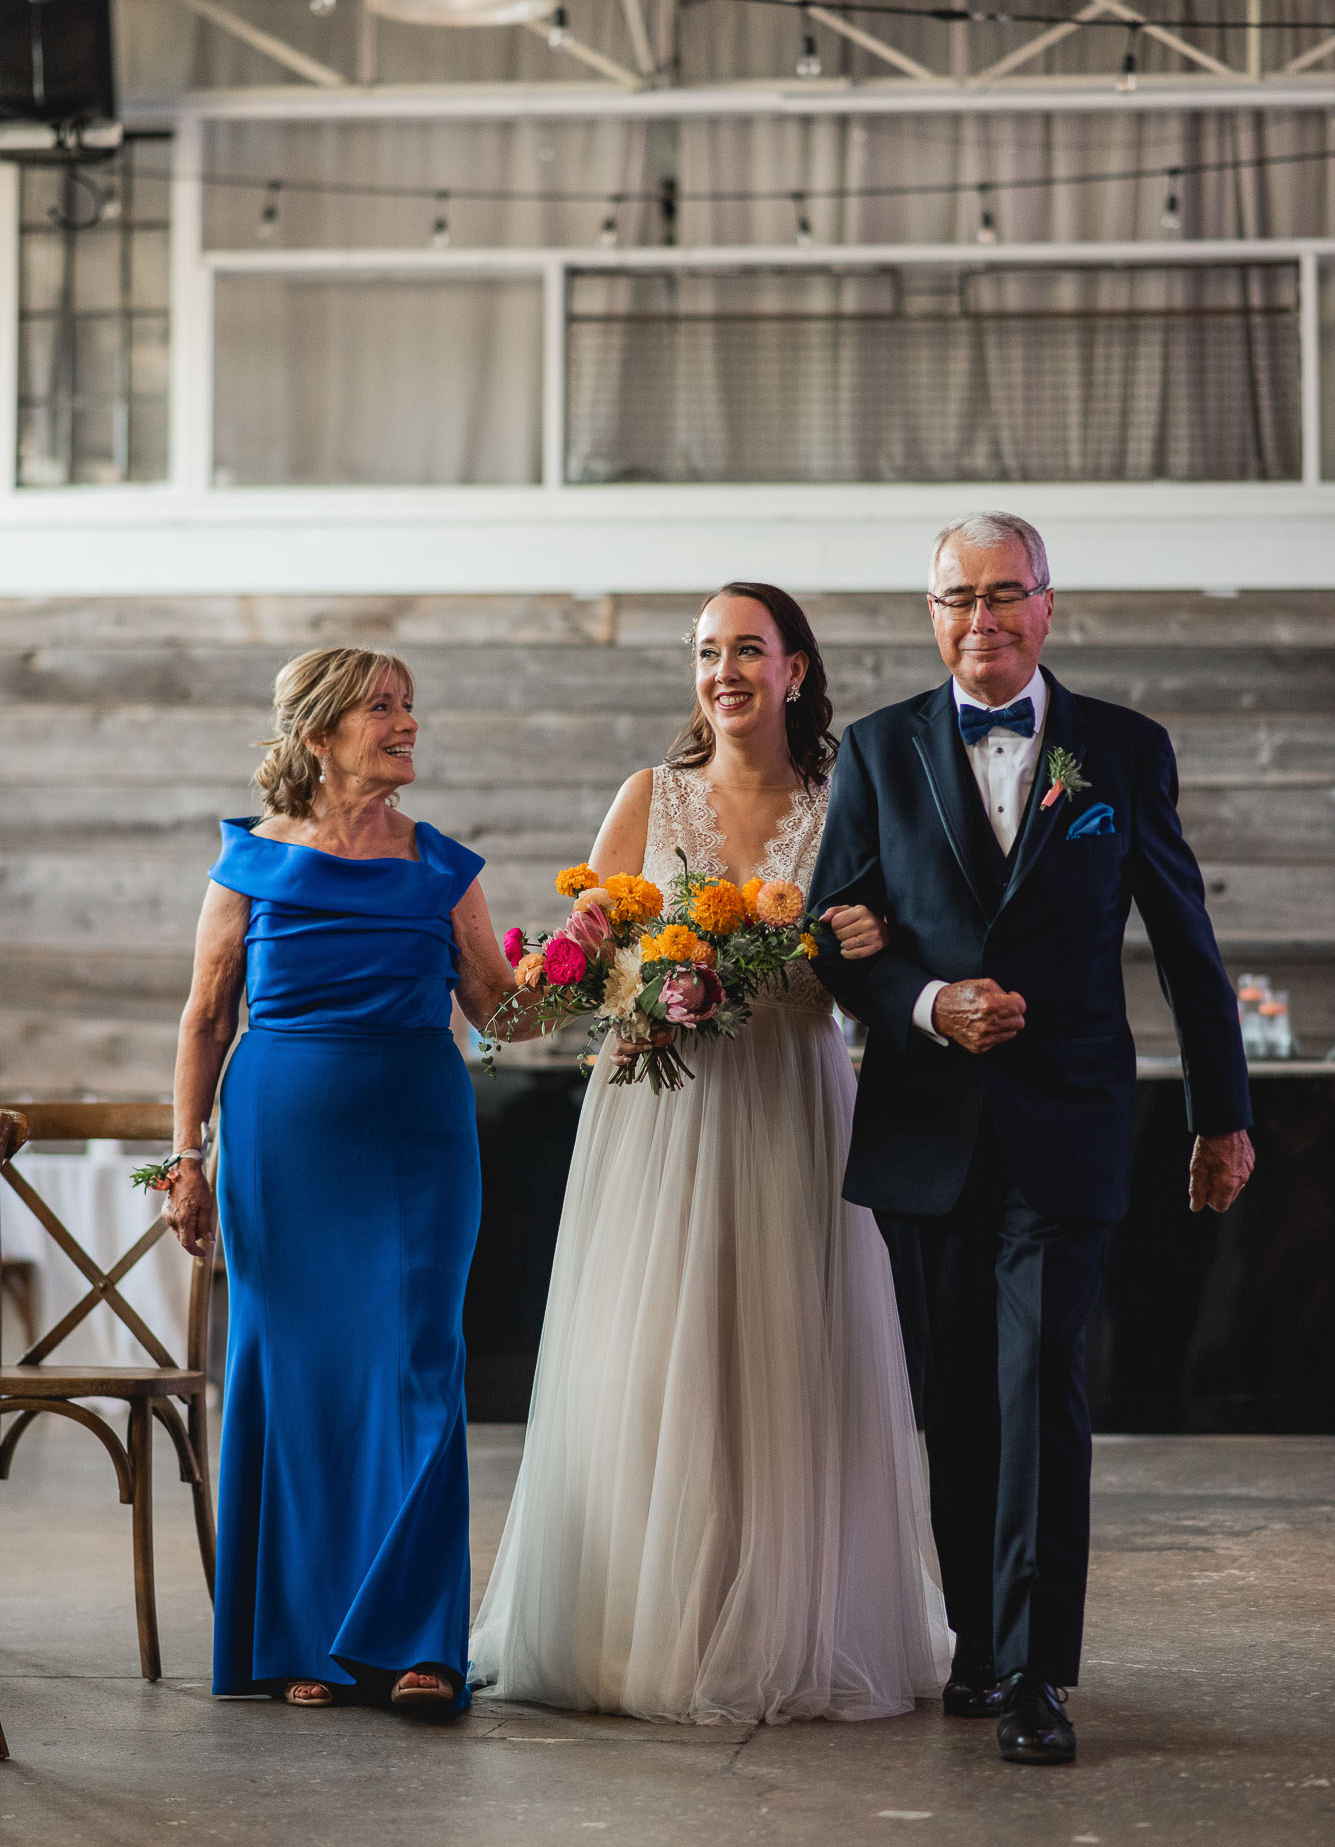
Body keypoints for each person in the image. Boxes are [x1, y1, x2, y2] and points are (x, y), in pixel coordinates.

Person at [809, 511, 1254, 1765]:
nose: (983, 618)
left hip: (1068, 1124)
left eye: (1006, 593)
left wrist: (1223, 1113)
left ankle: (1036, 1673)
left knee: (1040, 1385)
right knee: (956, 1400)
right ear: (931, 612)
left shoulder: (1122, 749)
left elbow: (1187, 944)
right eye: (959, 597)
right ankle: (977, 1643)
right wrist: (925, 1003)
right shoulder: (879, 748)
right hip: (926, 1129)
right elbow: (831, 936)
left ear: (1048, 604)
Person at [469, 583, 950, 1723]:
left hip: (790, 1099)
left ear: (794, 669)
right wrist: (567, 973)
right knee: (653, 1359)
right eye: (705, 652)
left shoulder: (845, 802)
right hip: (659, 1111)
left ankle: (786, 1622)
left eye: (746, 649)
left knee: (787, 1357)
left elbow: (882, 962)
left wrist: (873, 936)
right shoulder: (650, 795)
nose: (722, 671)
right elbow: (579, 964)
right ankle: (643, 1629)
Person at [163, 646, 528, 1718]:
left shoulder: (442, 866)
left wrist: (579, 964)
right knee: (293, 1376)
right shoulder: (248, 864)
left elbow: (502, 1014)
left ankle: (419, 1642)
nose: (407, 722)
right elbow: (205, 1018)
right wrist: (187, 1157)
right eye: (383, 707)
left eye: (410, 704)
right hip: (281, 1144)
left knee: (417, 1366)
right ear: (321, 732)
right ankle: (300, 1637)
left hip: (419, 1139)